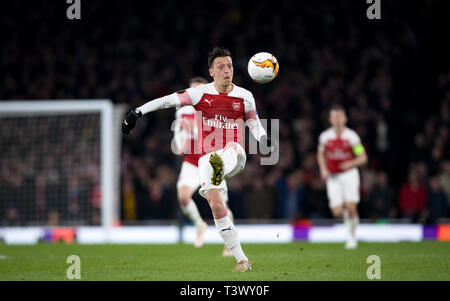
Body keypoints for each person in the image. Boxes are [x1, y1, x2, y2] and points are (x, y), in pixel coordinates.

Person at [122, 47, 276, 272]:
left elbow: (254, 123)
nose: (226, 70)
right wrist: (137, 112)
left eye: (230, 66)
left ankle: (218, 167)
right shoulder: (200, 93)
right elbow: (166, 100)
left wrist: (263, 139)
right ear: (211, 72)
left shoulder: (245, 96)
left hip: (235, 155)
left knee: (226, 151)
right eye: (220, 67)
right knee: (215, 205)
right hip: (207, 160)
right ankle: (242, 260)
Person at [173, 76, 233, 256]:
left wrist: (196, 129)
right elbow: (178, 139)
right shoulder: (182, 112)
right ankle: (200, 225)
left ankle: (230, 243)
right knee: (183, 197)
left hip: (211, 160)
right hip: (192, 160)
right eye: (190, 89)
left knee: (220, 204)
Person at [317, 104, 367, 249]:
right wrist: (323, 169)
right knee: (337, 211)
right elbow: (320, 154)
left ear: (344, 118)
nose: (337, 120)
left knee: (351, 206)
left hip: (349, 174)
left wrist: (351, 163)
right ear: (330, 119)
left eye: (339, 117)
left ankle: (352, 237)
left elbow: (362, 157)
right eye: (334, 117)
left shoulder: (351, 137)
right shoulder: (325, 137)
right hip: (333, 177)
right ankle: (350, 224)